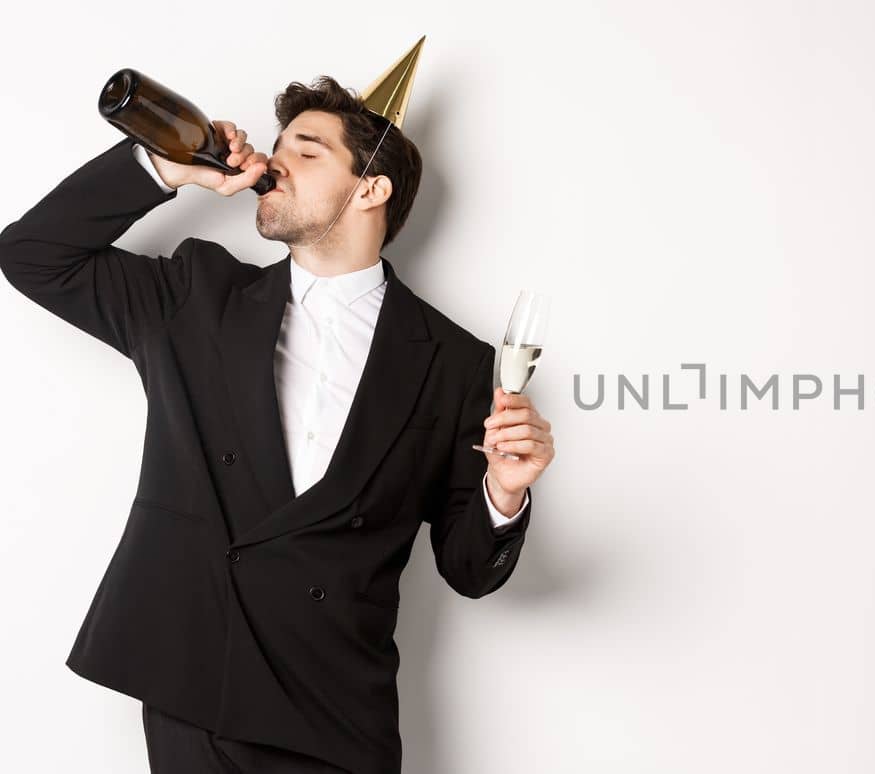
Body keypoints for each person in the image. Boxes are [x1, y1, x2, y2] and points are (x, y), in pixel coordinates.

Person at [0, 50, 556, 774]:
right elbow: (31, 255)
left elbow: (470, 569)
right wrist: (165, 169)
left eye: (307, 147)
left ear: (370, 189)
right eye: (279, 142)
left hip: (334, 705)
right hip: (195, 680)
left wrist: (504, 494)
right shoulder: (194, 298)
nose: (274, 159)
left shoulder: (454, 361)